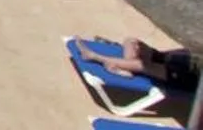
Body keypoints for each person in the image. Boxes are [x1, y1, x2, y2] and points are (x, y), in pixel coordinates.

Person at [72, 36, 202, 96]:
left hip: (186, 77)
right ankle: (126, 66)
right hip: (171, 60)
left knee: (142, 65)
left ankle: (96, 57)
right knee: (131, 40)